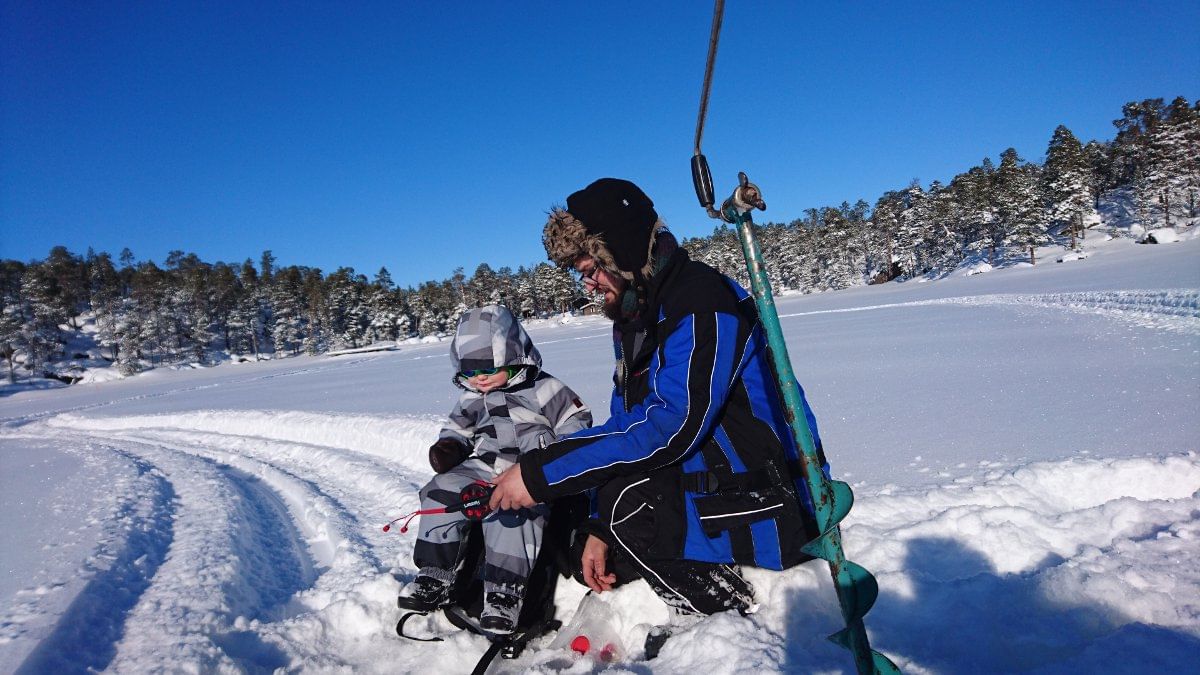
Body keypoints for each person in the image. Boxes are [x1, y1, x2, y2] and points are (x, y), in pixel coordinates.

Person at [489, 178, 828, 649]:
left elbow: (671, 426)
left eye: (591, 268)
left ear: (622, 253)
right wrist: (596, 526)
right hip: (716, 488)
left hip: (773, 506)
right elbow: (626, 424)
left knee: (628, 503)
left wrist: (541, 474)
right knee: (576, 518)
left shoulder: (701, 302)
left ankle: (728, 611)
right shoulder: (639, 316)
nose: (586, 283)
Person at [397, 304, 591, 634]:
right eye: (470, 373)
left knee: (512, 513)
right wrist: (450, 447)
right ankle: (436, 573)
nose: (480, 378)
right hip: (485, 465)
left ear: (515, 354)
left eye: (489, 368)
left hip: (531, 470)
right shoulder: (472, 397)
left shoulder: (545, 388)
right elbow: (457, 429)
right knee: (439, 491)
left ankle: (504, 594)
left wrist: (553, 461)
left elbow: (577, 423)